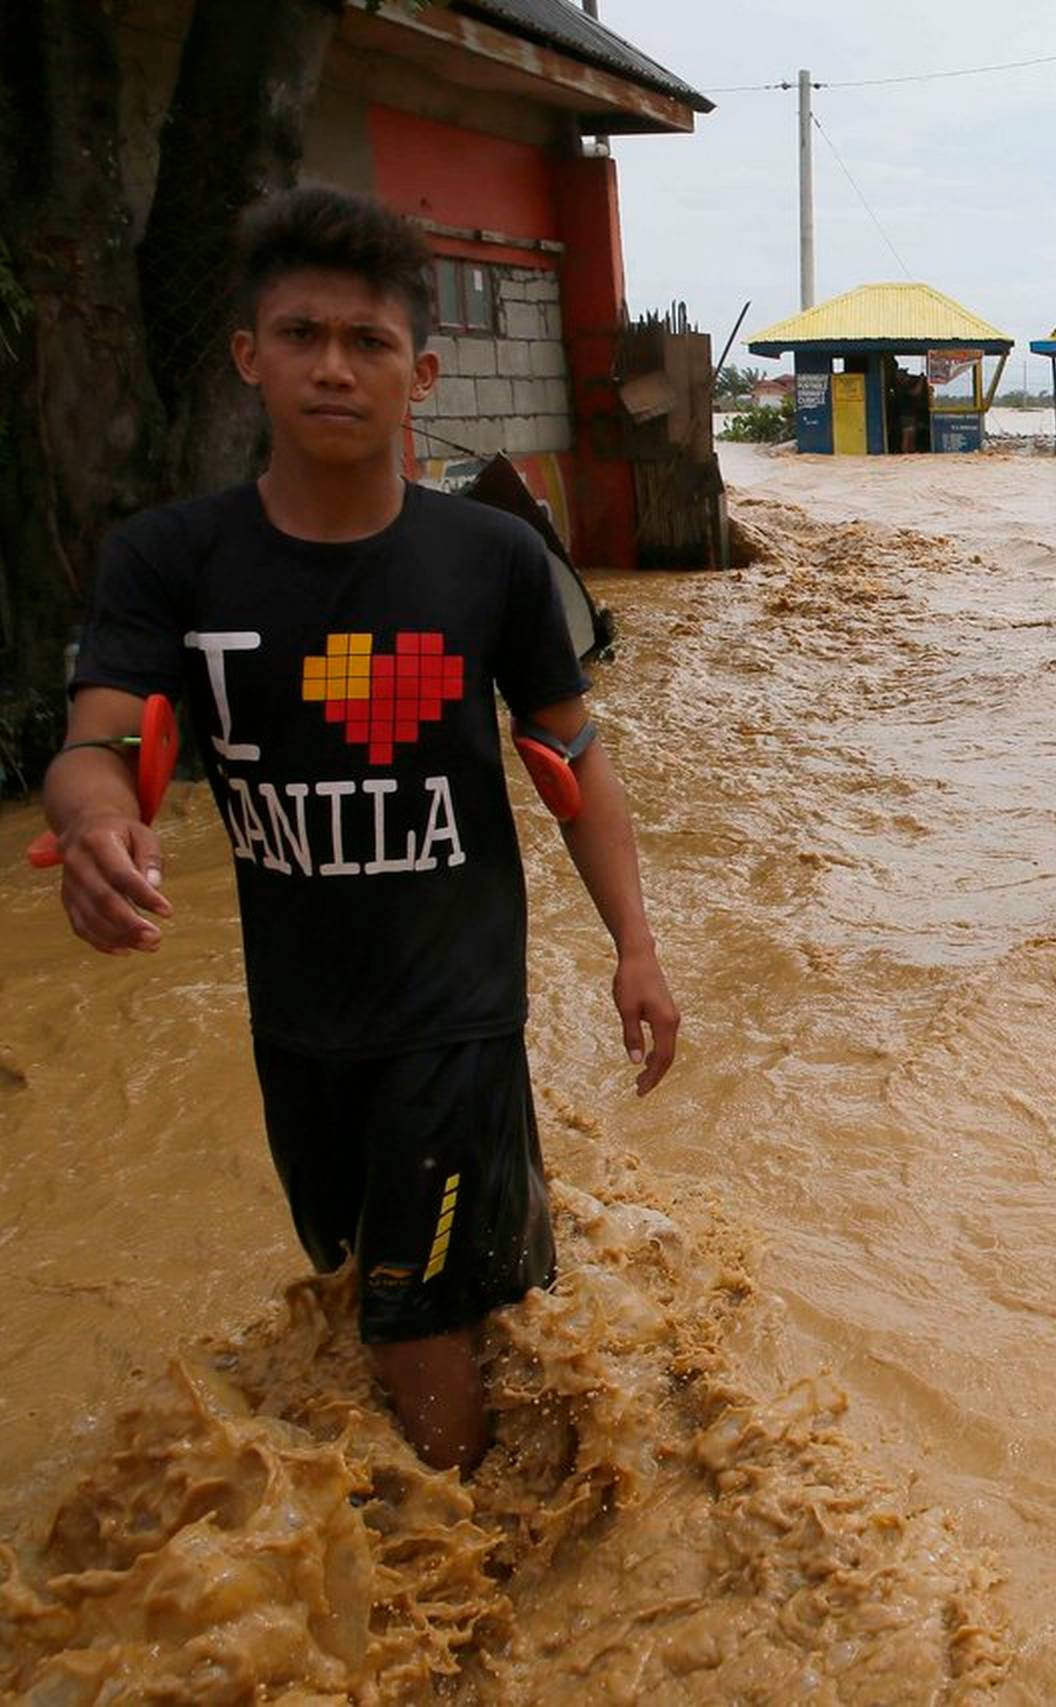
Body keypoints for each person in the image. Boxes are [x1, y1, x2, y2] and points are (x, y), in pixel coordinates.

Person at [42, 186, 680, 1475]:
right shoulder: (172, 560)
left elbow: (571, 758)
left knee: (408, 1311)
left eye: (367, 342)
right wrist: (99, 826)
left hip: (454, 1012)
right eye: (301, 335)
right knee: (363, 1280)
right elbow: (98, 742)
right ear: (249, 355)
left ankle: (463, 1560)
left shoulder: (491, 560)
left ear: (418, 373)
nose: (333, 367)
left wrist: (637, 949)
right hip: (298, 1021)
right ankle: (543, 1461)